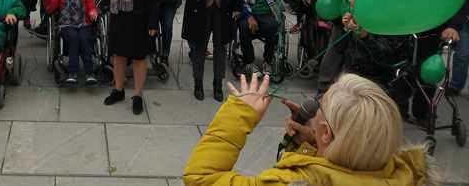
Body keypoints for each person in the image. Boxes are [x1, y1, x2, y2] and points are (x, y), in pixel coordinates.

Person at [183, 73, 437, 185]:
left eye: (320, 107)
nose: (312, 109)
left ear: (327, 132)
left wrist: (238, 114)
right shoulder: (409, 175)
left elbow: (201, 179)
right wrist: (314, 146)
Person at [94, 0, 159, 115]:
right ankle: (119, 90)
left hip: (139, 19)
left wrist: (153, 23)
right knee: (119, 55)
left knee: (138, 58)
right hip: (118, 16)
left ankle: (137, 96)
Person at [43, 0, 99, 84]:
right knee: (74, 37)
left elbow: (91, 7)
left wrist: (93, 12)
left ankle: (89, 72)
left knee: (83, 38)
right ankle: (73, 72)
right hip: (66, 24)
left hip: (84, 23)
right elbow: (50, 9)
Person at [238, 0, 287, 76]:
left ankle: (268, 61)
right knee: (244, 27)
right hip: (248, 13)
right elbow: (238, 1)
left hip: (267, 13)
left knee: (272, 27)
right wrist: (249, 16)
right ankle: (248, 62)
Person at [297, 0, 330, 71]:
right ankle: (316, 56)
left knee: (327, 30)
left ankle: (324, 59)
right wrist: (306, 3)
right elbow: (298, 8)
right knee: (309, 31)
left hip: (330, 22)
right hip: (314, 23)